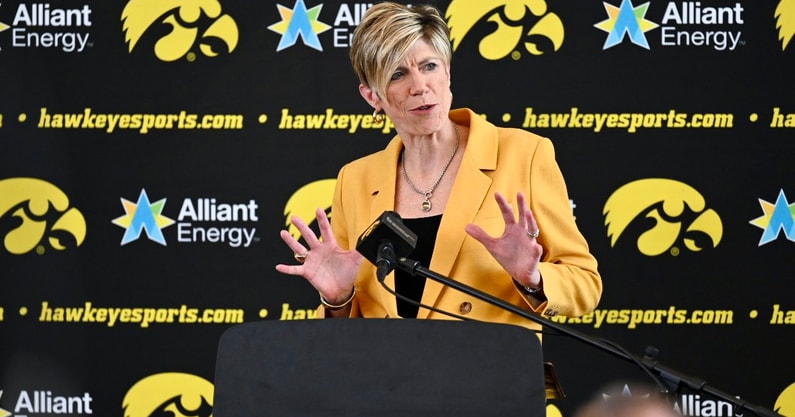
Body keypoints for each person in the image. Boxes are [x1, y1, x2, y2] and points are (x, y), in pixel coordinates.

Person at [276, 2, 601, 330]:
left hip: (493, 375)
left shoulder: (525, 154)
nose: (419, 85)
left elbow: (585, 283)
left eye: (429, 66)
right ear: (372, 96)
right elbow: (349, 328)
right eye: (398, 74)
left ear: (447, 72)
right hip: (388, 379)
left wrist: (533, 277)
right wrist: (337, 299)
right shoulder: (355, 179)